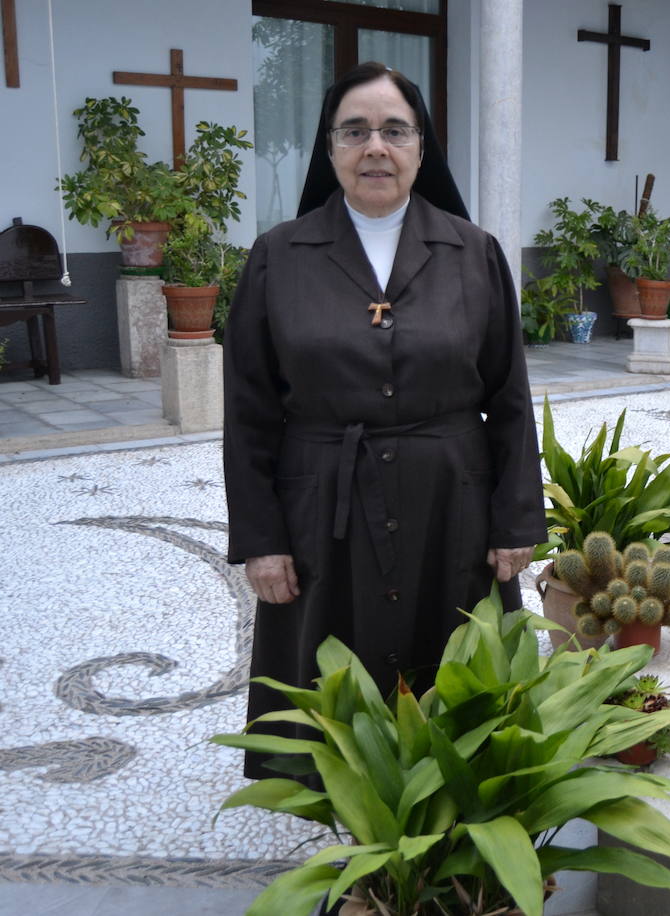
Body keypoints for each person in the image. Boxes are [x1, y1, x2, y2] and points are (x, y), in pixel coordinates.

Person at [223, 62, 545, 780]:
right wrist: (261, 541)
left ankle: (448, 817)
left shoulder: (474, 252)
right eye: (355, 131)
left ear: (421, 148)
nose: (376, 147)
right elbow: (247, 412)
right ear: (330, 148)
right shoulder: (279, 255)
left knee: (456, 669)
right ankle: (346, 811)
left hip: (451, 501)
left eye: (395, 130)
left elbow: (511, 398)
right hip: (320, 505)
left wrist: (515, 520)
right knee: (328, 669)